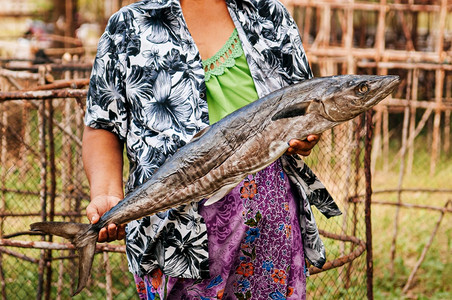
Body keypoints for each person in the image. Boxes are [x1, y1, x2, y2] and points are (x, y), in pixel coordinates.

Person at [82, 0, 341, 299]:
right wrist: (105, 192)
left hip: (270, 225)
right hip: (173, 230)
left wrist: (306, 136)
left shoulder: (270, 16)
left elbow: (303, 107)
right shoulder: (129, 26)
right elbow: (103, 126)